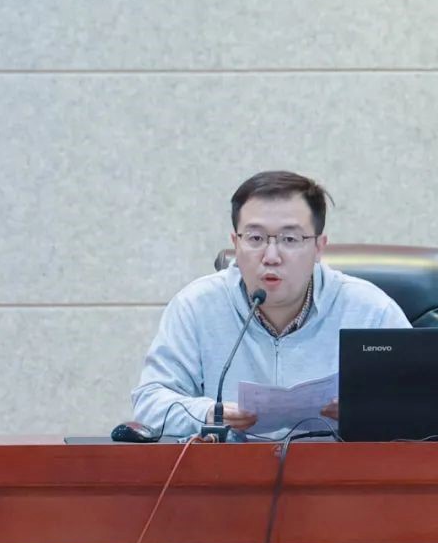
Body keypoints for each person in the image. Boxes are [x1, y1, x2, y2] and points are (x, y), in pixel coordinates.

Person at [131, 170, 410, 439]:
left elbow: (423, 401)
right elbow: (149, 403)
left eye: (290, 239)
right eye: (255, 238)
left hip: (339, 468)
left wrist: (370, 411)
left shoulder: (370, 310)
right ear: (235, 243)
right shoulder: (196, 307)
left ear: (319, 247)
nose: (271, 256)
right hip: (230, 468)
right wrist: (208, 413)